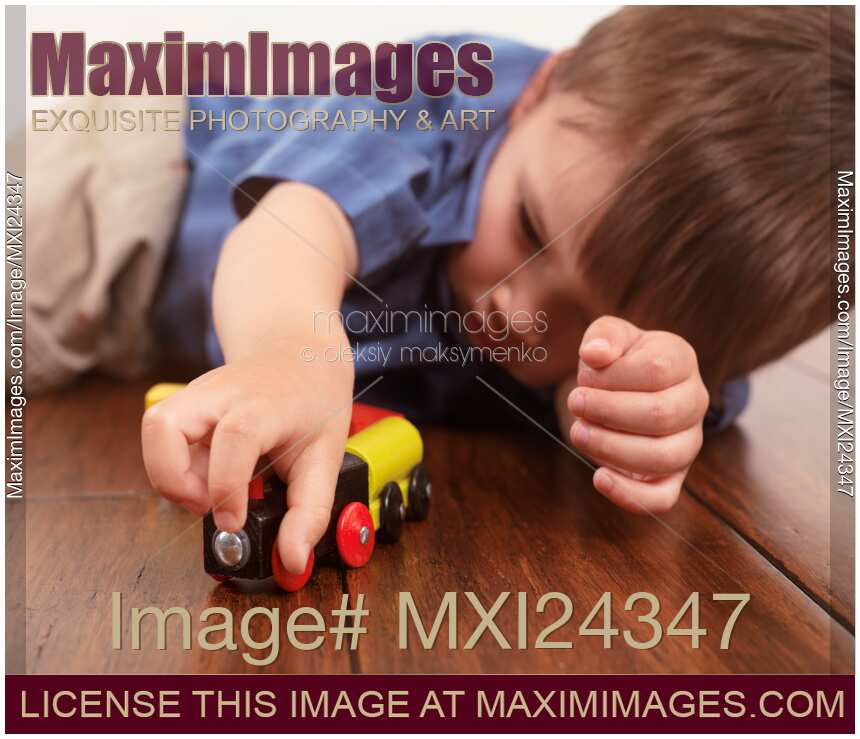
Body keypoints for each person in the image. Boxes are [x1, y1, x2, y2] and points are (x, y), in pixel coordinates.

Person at [28, 7, 853, 576]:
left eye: (592, 322)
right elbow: (294, 229)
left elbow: (638, 402)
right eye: (528, 226)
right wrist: (289, 353)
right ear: (538, 94)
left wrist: (629, 407)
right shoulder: (432, 103)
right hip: (147, 186)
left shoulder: (690, 336)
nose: (520, 309)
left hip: (170, 341)